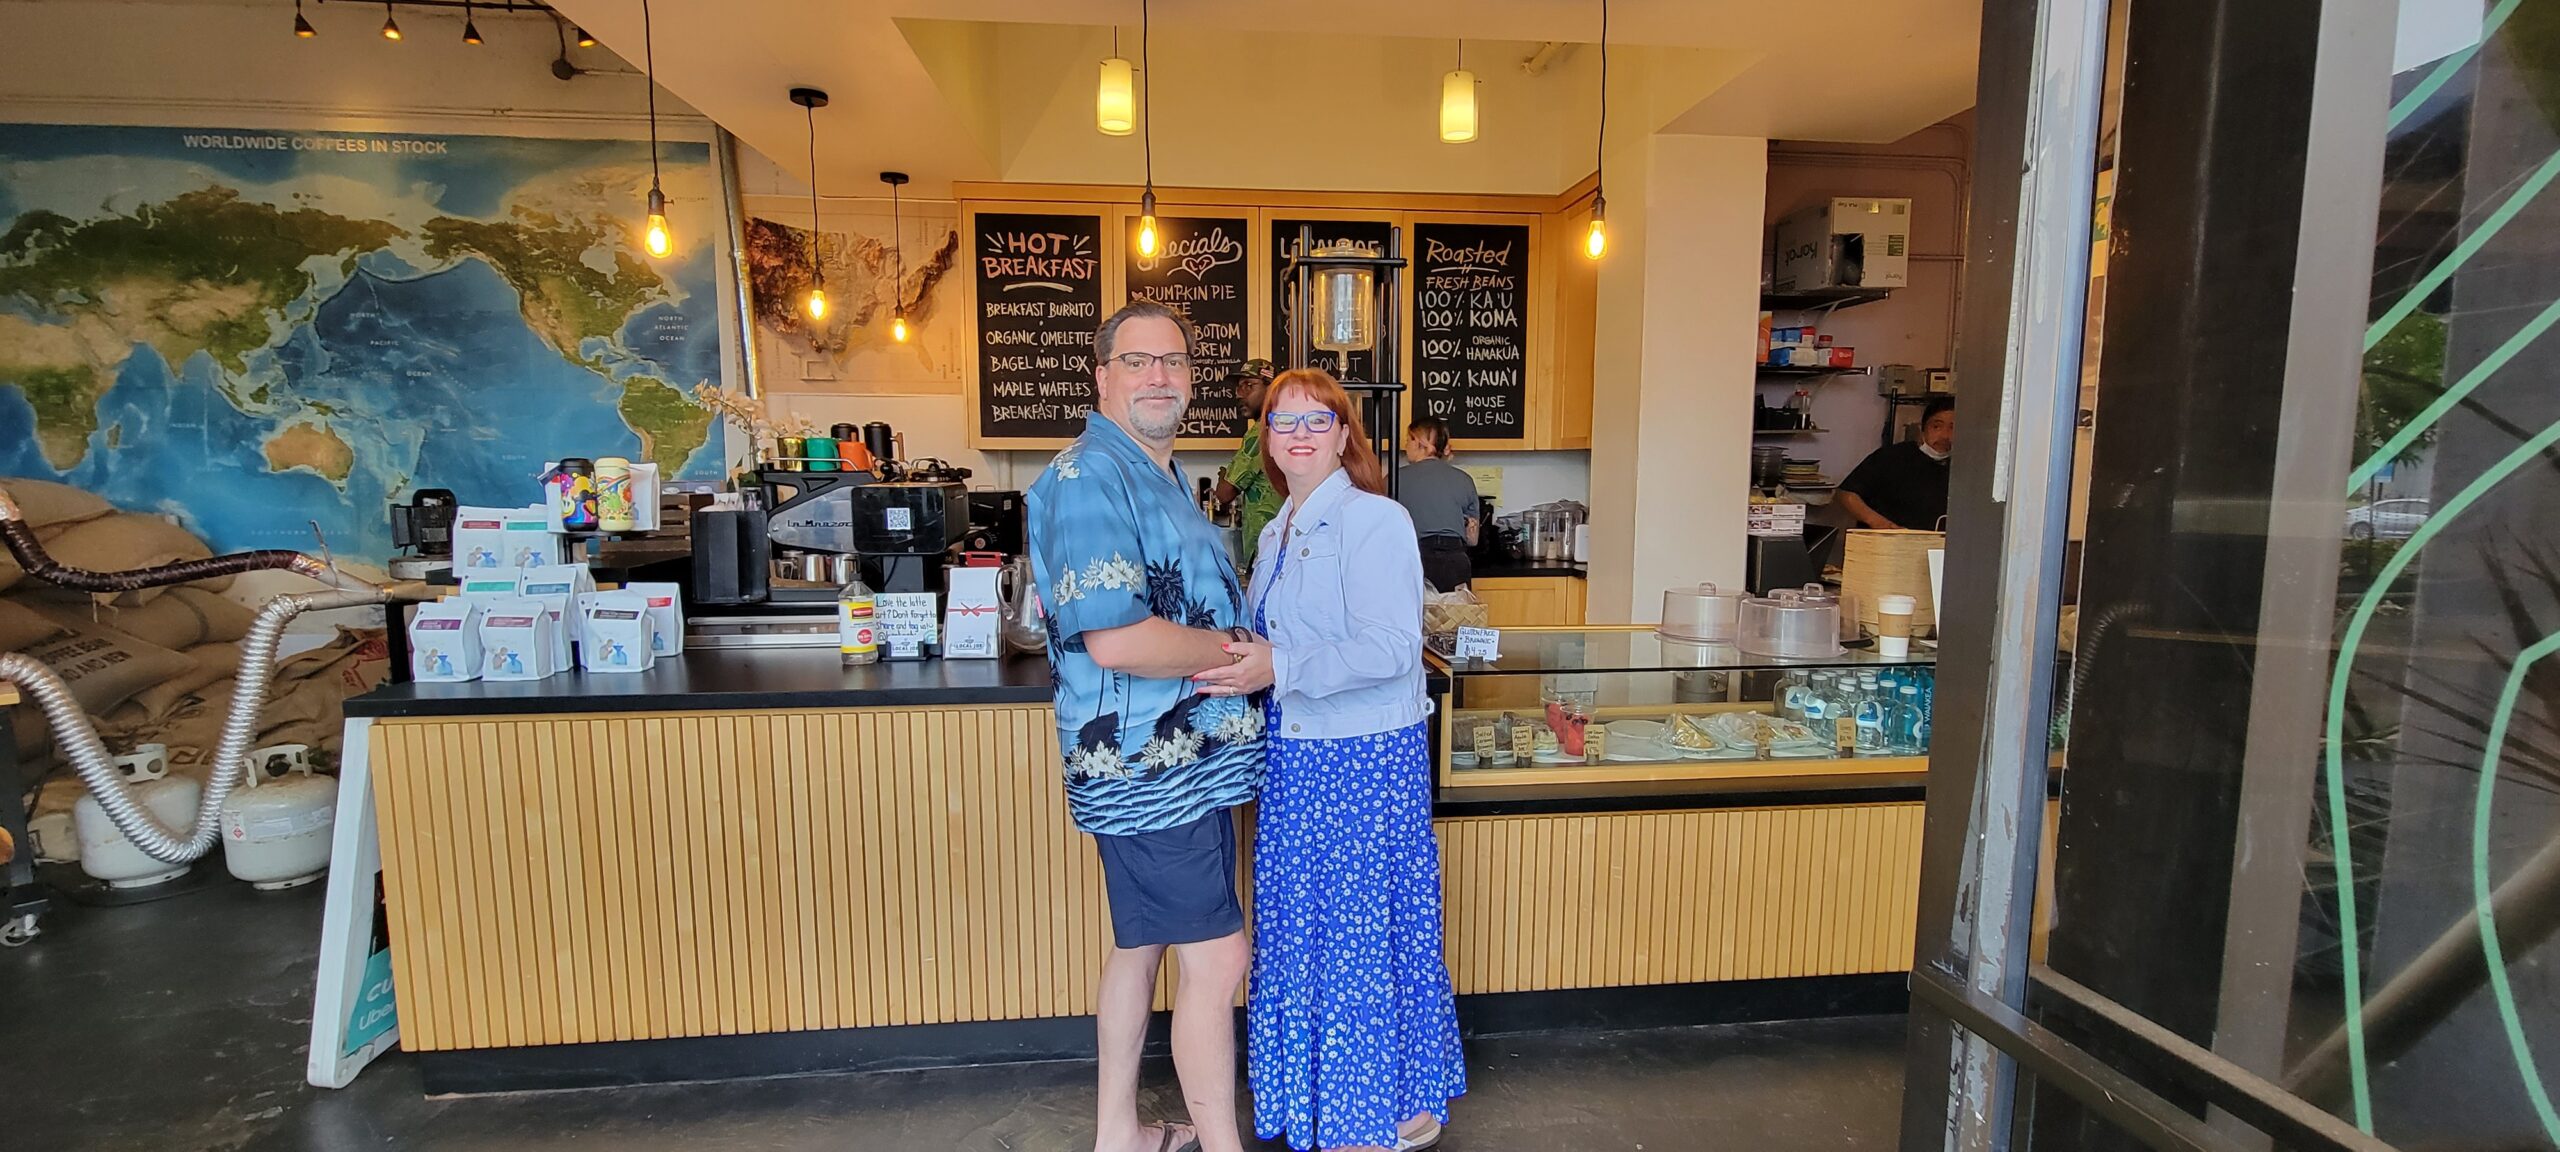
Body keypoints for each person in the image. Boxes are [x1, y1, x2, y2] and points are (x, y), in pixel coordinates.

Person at [1195, 369, 1468, 1152]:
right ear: (1267, 440)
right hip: (1298, 755)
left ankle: (1382, 1109)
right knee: (1305, 931)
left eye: (1318, 420)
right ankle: (1320, 1098)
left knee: (1359, 934)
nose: (1300, 434)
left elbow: (1390, 649)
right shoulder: (1277, 529)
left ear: (1345, 435)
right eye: (1283, 422)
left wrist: (1276, 665)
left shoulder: (1374, 519)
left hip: (1362, 759)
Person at [1026, 301, 1265, 1152]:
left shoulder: (1148, 470)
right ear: (1102, 377)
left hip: (1172, 767)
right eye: (1138, 361)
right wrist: (1241, 654)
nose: (1159, 376)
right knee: (1219, 960)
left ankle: (1118, 1136)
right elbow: (1119, 639)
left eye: (1174, 361)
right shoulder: (1090, 476)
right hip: (1153, 772)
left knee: (1144, 947)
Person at [1836, 396, 1956, 531]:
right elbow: (1847, 494)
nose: (1945, 436)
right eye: (1937, 426)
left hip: (1939, 542)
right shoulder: (1893, 457)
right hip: (1889, 540)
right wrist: (1879, 523)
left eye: (1953, 428)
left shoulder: (1964, 466)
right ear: (1922, 429)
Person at [1395, 417, 1480, 592]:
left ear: (1418, 442)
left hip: (1413, 561)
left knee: (1416, 610)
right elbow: (1473, 540)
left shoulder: (1394, 480)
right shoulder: (1464, 480)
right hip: (1455, 564)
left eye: (1408, 440)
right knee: (1455, 610)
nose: (1405, 446)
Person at [1213, 359, 1281, 573]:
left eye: (1249, 386)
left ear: (1272, 388)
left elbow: (1224, 493)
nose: (1239, 394)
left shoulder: (1260, 432)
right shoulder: (1285, 426)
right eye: (1239, 387)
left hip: (1266, 545)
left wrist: (1223, 475)